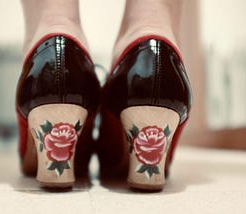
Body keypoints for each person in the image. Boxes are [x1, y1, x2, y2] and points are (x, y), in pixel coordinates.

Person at [16, 0, 192, 191]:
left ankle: (53, 25)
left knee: (53, 13)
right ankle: (151, 27)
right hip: (167, 68)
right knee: (153, 14)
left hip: (45, 63)